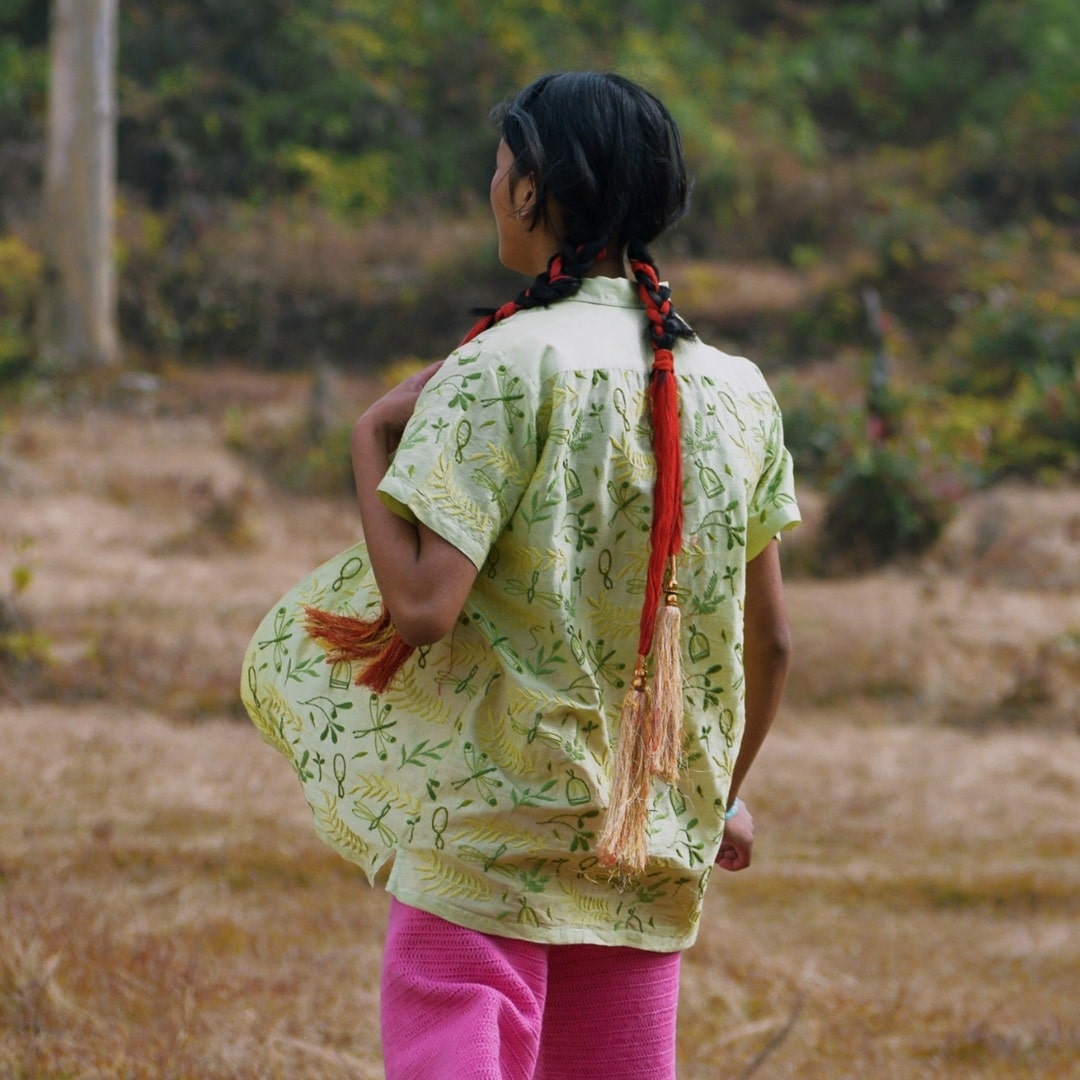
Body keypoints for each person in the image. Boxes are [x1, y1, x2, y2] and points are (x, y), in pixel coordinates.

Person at [242, 70, 798, 1079]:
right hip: (643, 835)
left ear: (533, 191)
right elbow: (774, 643)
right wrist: (717, 800)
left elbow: (419, 609)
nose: (491, 188)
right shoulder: (738, 390)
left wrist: (370, 438)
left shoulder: (501, 365)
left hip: (485, 830)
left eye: (499, 170)